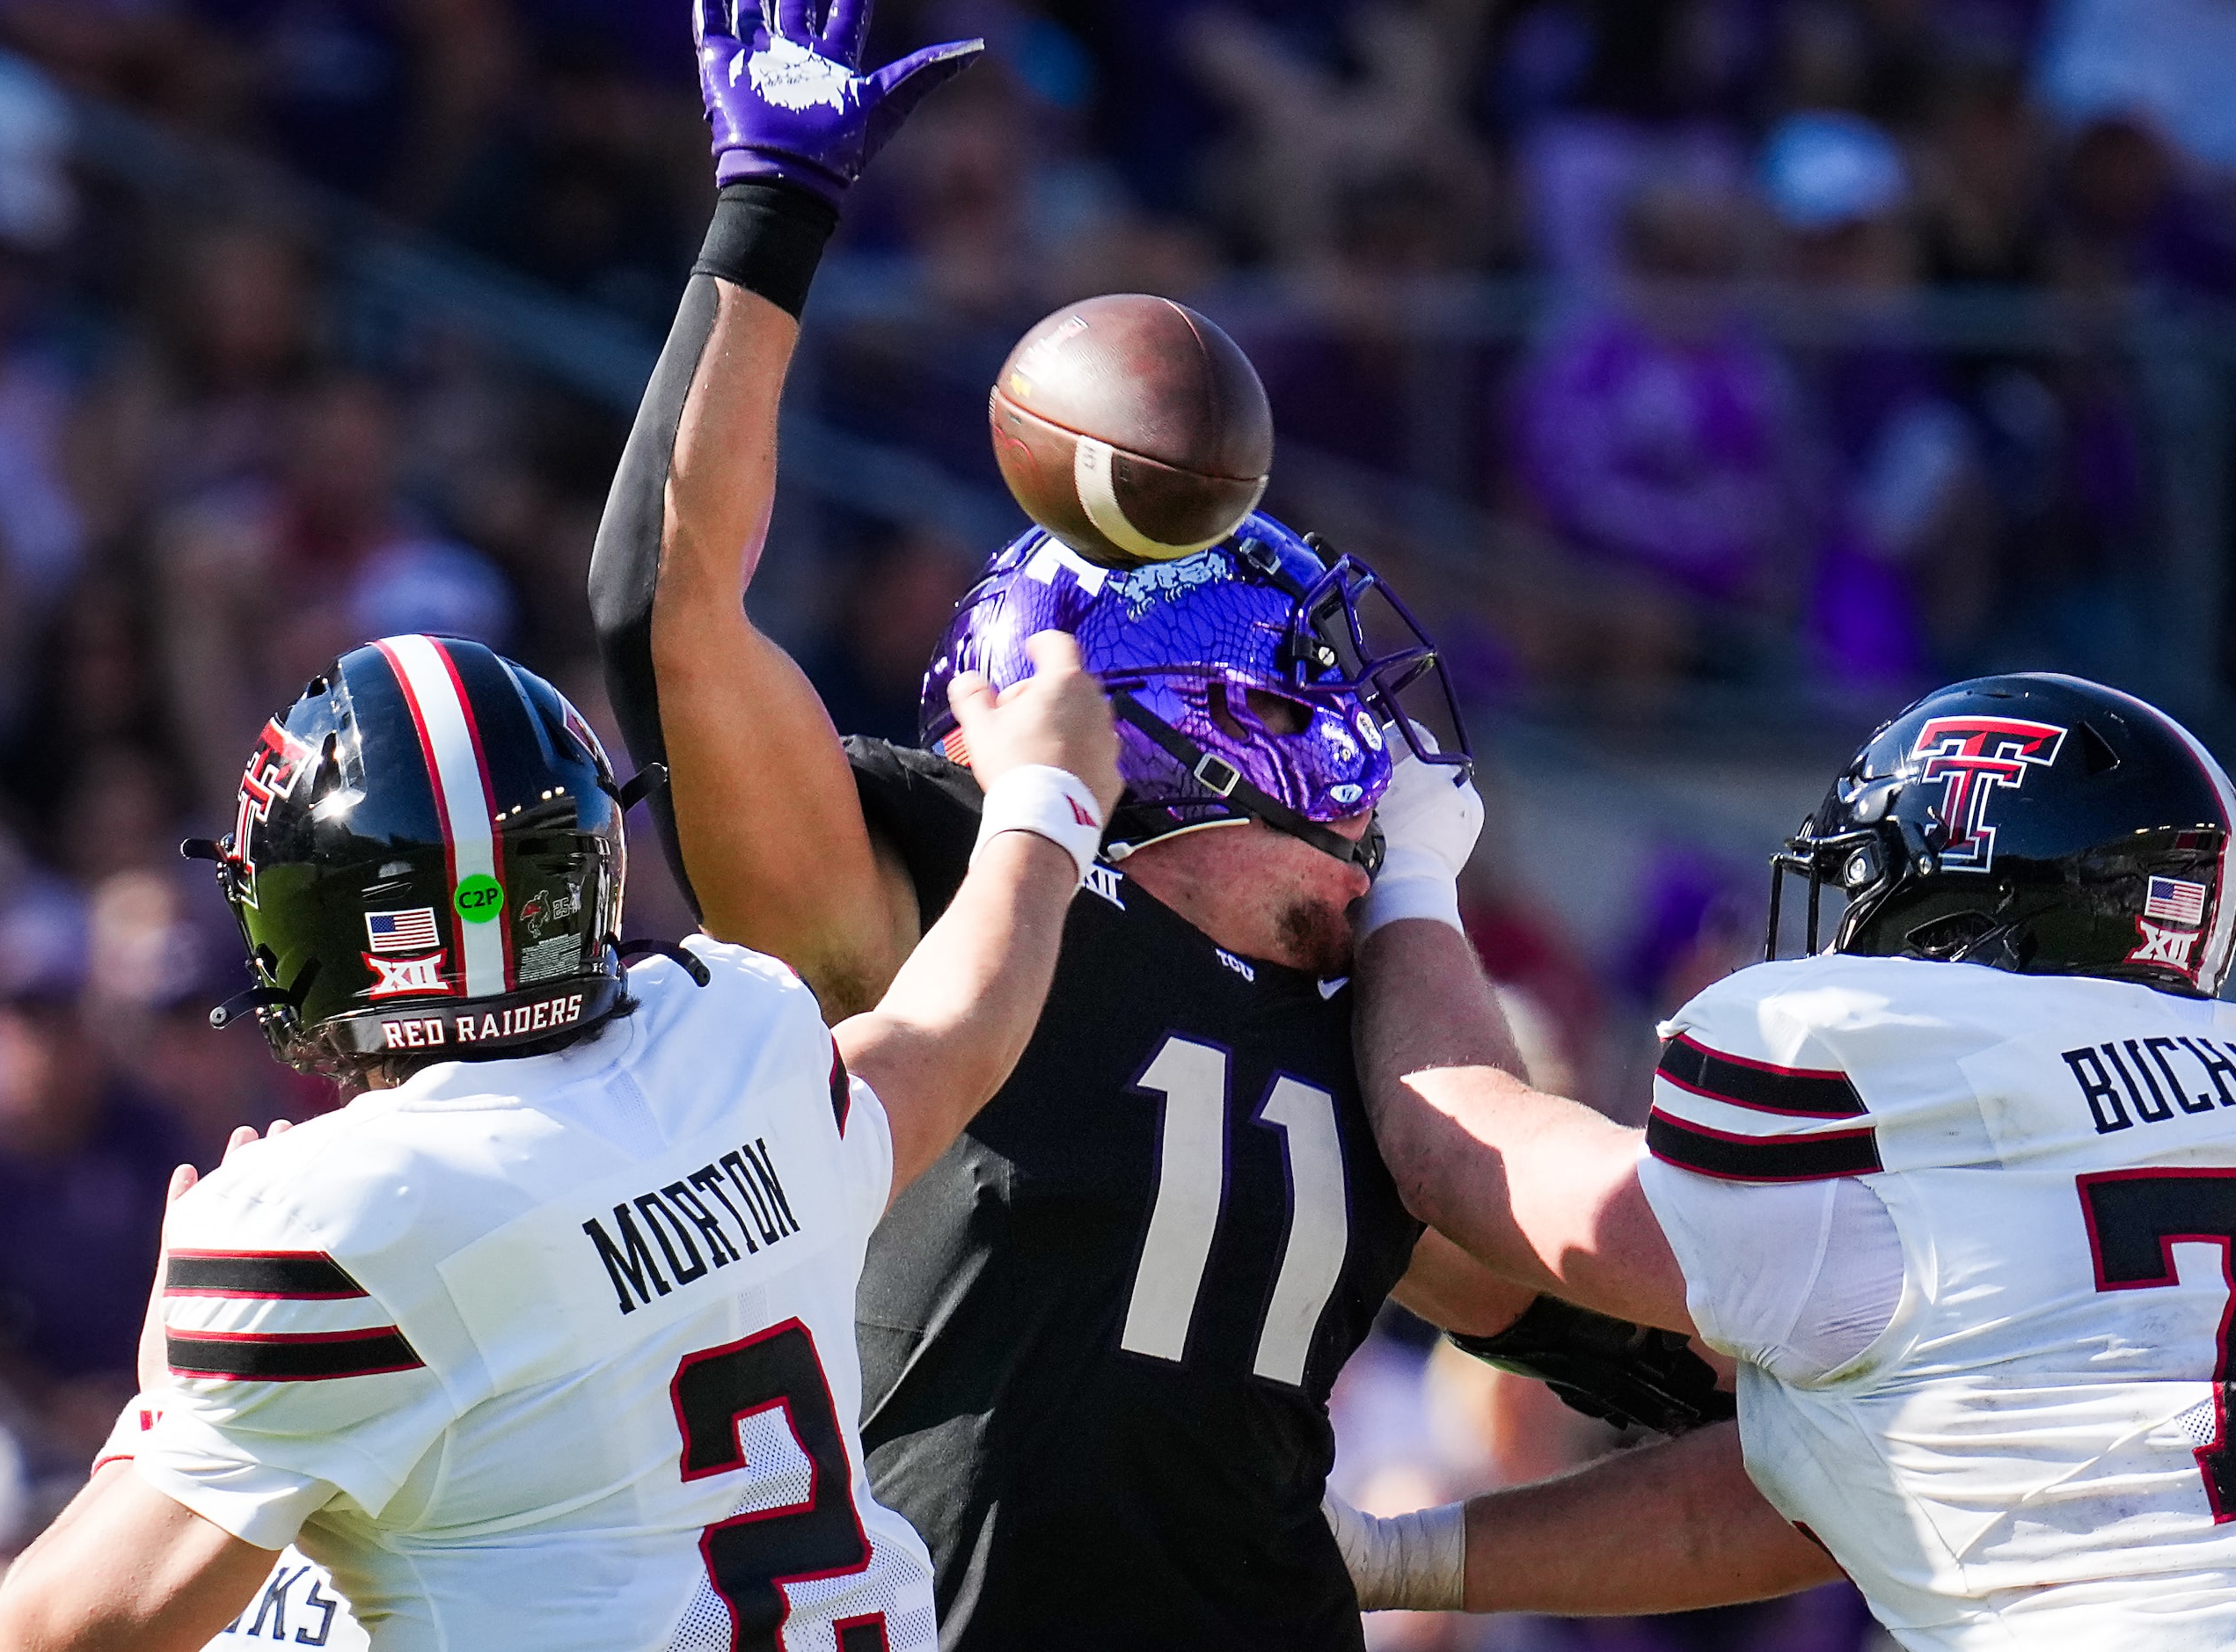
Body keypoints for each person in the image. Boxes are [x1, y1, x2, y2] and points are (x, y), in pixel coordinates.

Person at [588, 2, 1803, 1646]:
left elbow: (1793, 1435)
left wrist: (1417, 1558)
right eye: (1317, 676)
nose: (1369, 732)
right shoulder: (951, 904)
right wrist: (769, 215)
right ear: (1189, 715)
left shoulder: (1360, 1055)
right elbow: (673, 613)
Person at [0, 617, 1120, 1650]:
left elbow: (57, 1633)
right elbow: (943, 1040)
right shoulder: (729, 1031)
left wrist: (167, 1394)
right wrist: (1047, 805)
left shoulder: (330, 1215)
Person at [1344, 671, 2236, 1648]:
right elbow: (1824, 1489)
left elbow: (1470, 1168)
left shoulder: (1880, 1045)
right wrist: (1405, 1559)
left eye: (1870, 880)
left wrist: (1413, 872)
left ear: (1958, 898)